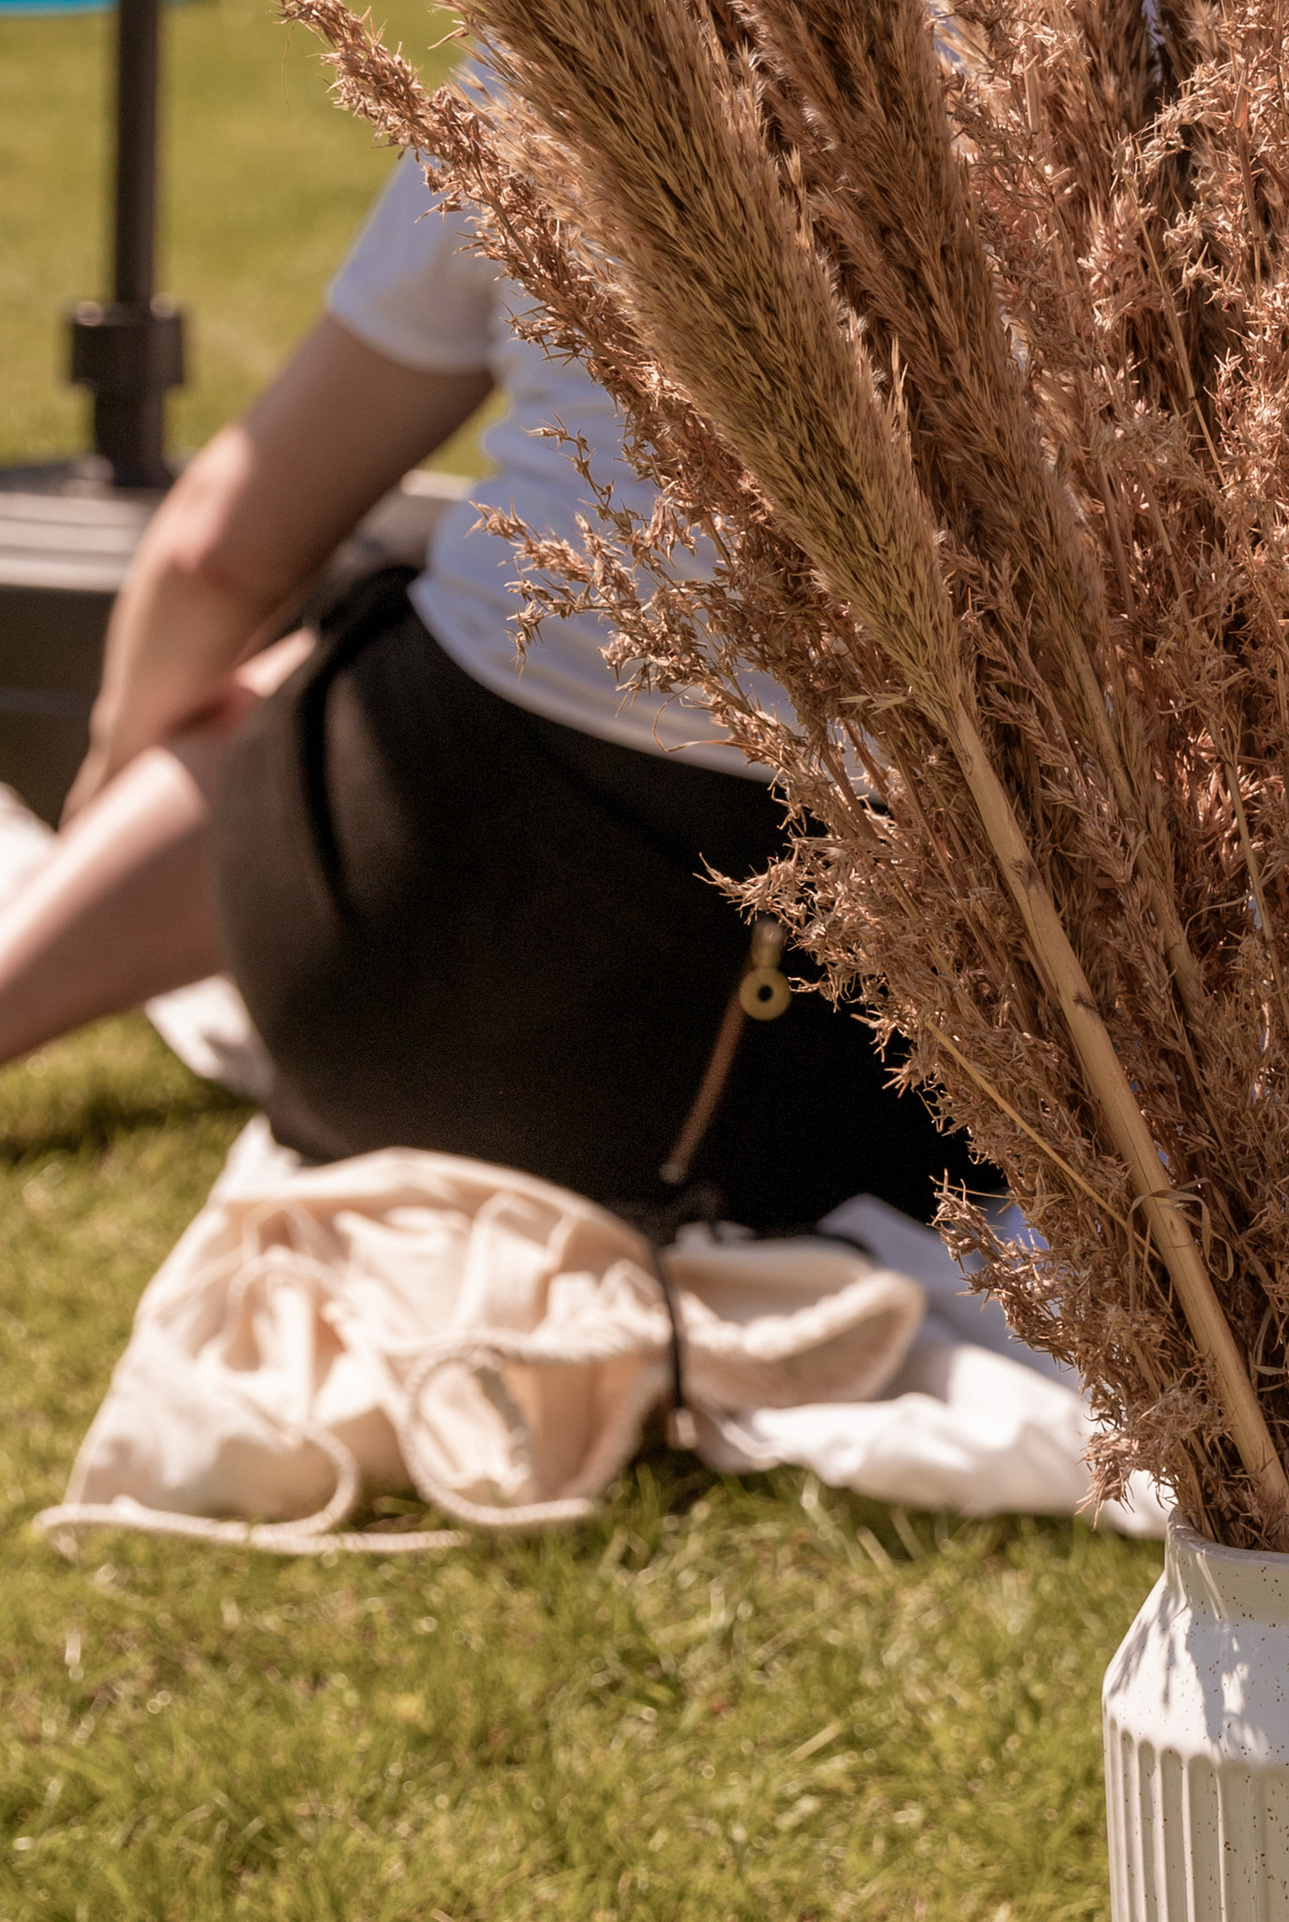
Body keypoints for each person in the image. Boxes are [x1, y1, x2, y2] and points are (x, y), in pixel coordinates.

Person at [0, 146, 977, 1237]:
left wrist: (107, 777)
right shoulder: (1151, 56)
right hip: (926, 1091)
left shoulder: (545, 64)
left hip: (396, 1004)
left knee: (324, 665)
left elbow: (218, 554)